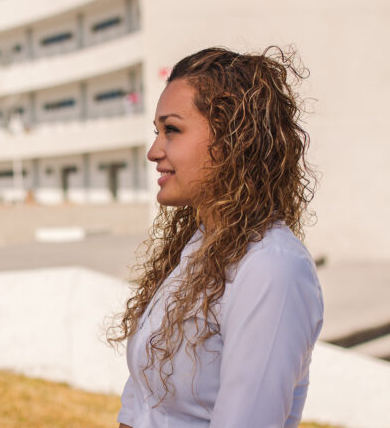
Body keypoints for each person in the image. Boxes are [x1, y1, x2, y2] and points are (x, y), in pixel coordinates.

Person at [111, 47, 323, 427]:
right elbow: (143, 403)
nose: (153, 151)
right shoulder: (195, 249)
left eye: (171, 130)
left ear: (233, 140)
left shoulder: (270, 268)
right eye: (156, 132)